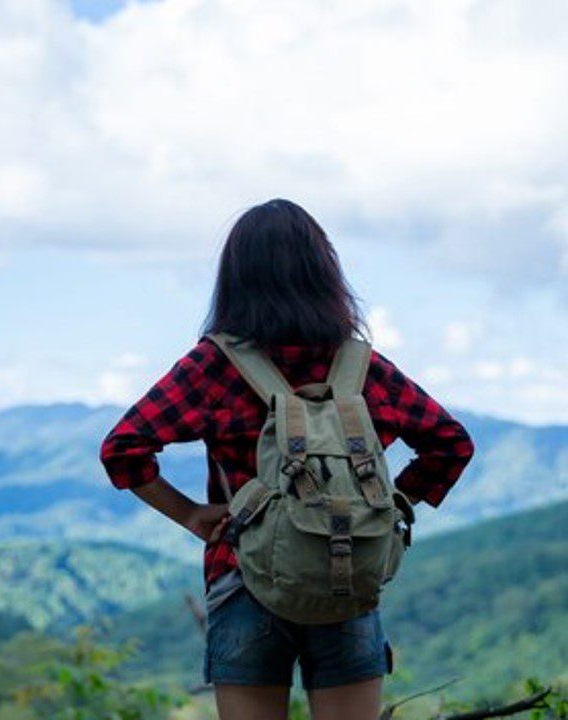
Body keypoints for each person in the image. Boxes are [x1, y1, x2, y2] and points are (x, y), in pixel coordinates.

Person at [99, 198, 475, 720]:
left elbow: (123, 449)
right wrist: (386, 505)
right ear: (325, 273)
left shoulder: (215, 365)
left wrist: (188, 514)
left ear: (234, 279)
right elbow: (451, 443)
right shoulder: (360, 366)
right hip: (347, 572)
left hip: (243, 575)